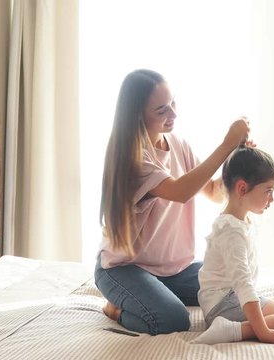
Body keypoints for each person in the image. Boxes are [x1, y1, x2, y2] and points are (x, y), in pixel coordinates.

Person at [94, 69, 251, 335]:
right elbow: (180, 191)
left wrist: (236, 154)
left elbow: (213, 191)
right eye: (162, 110)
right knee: (173, 319)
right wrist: (226, 144)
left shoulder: (178, 144)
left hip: (174, 269)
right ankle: (115, 309)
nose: (174, 114)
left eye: (173, 103)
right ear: (138, 115)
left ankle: (155, 291)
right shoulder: (135, 161)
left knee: (233, 289)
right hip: (124, 269)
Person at [192, 146, 274, 345]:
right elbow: (243, 283)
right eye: (268, 191)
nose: (271, 199)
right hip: (222, 305)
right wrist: (262, 330)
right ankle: (231, 330)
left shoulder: (242, 221)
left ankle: (241, 324)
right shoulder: (230, 231)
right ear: (242, 188)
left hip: (234, 298)